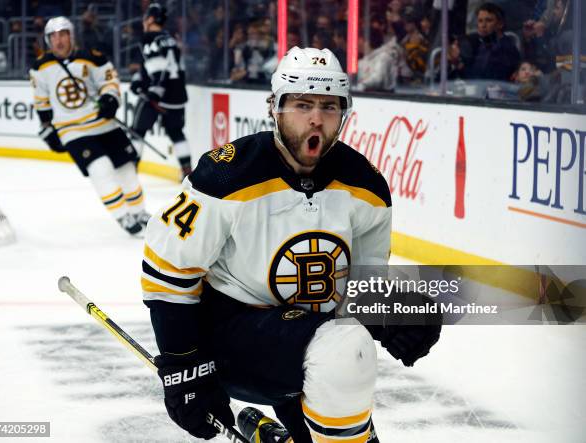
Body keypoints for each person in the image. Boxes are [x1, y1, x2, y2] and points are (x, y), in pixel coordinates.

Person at [142, 47, 441, 442]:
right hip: (228, 340)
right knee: (345, 349)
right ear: (275, 107)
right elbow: (166, 273)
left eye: (329, 106)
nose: (316, 118)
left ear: (344, 113)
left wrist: (393, 314)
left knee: (342, 359)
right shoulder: (226, 176)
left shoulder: (367, 188)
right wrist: (184, 367)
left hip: (308, 339)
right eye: (302, 104)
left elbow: (360, 290)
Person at [29, 16, 149, 236]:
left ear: (71, 36)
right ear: (48, 40)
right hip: (71, 130)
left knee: (127, 169)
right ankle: (123, 216)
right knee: (100, 168)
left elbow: (109, 81)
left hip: (105, 125)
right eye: (53, 36)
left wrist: (110, 100)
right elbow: (41, 100)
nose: (58, 40)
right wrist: (47, 128)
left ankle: (140, 212)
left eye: (63, 34)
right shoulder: (40, 67)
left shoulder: (92, 58)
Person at [130, 3, 191, 179]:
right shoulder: (170, 39)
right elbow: (148, 68)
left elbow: (157, 70)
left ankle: (130, 170)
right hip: (178, 94)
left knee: (137, 132)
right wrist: (136, 81)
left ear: (150, 19)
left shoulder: (149, 38)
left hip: (159, 95)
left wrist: (154, 93)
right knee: (176, 132)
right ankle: (187, 171)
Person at [450, 2, 520, 81]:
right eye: (480, 21)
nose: (483, 25)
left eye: (488, 20)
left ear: (500, 24)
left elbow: (482, 78)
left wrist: (459, 64)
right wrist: (456, 62)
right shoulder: (483, 43)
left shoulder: (506, 48)